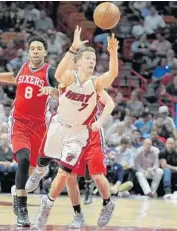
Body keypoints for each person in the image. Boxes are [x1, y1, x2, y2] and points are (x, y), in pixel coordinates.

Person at [31, 26, 119, 229]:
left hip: (81, 132)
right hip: (60, 126)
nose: (92, 62)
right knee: (54, 167)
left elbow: (112, 74)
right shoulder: (70, 77)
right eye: (88, 58)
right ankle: (56, 197)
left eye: (94, 60)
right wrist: (73, 48)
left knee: (68, 173)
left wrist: (113, 52)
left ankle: (48, 204)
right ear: (78, 62)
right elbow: (59, 75)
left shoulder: (96, 84)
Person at [0, 35, 58, 227]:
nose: (35, 51)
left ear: (44, 52)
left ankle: (16, 192)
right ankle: (22, 209)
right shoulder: (23, 67)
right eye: (32, 48)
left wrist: (53, 91)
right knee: (23, 159)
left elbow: (63, 90)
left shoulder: (49, 71)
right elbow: (13, 78)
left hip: (40, 127)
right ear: (29, 52)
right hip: (19, 122)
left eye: (39, 48)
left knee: (35, 171)